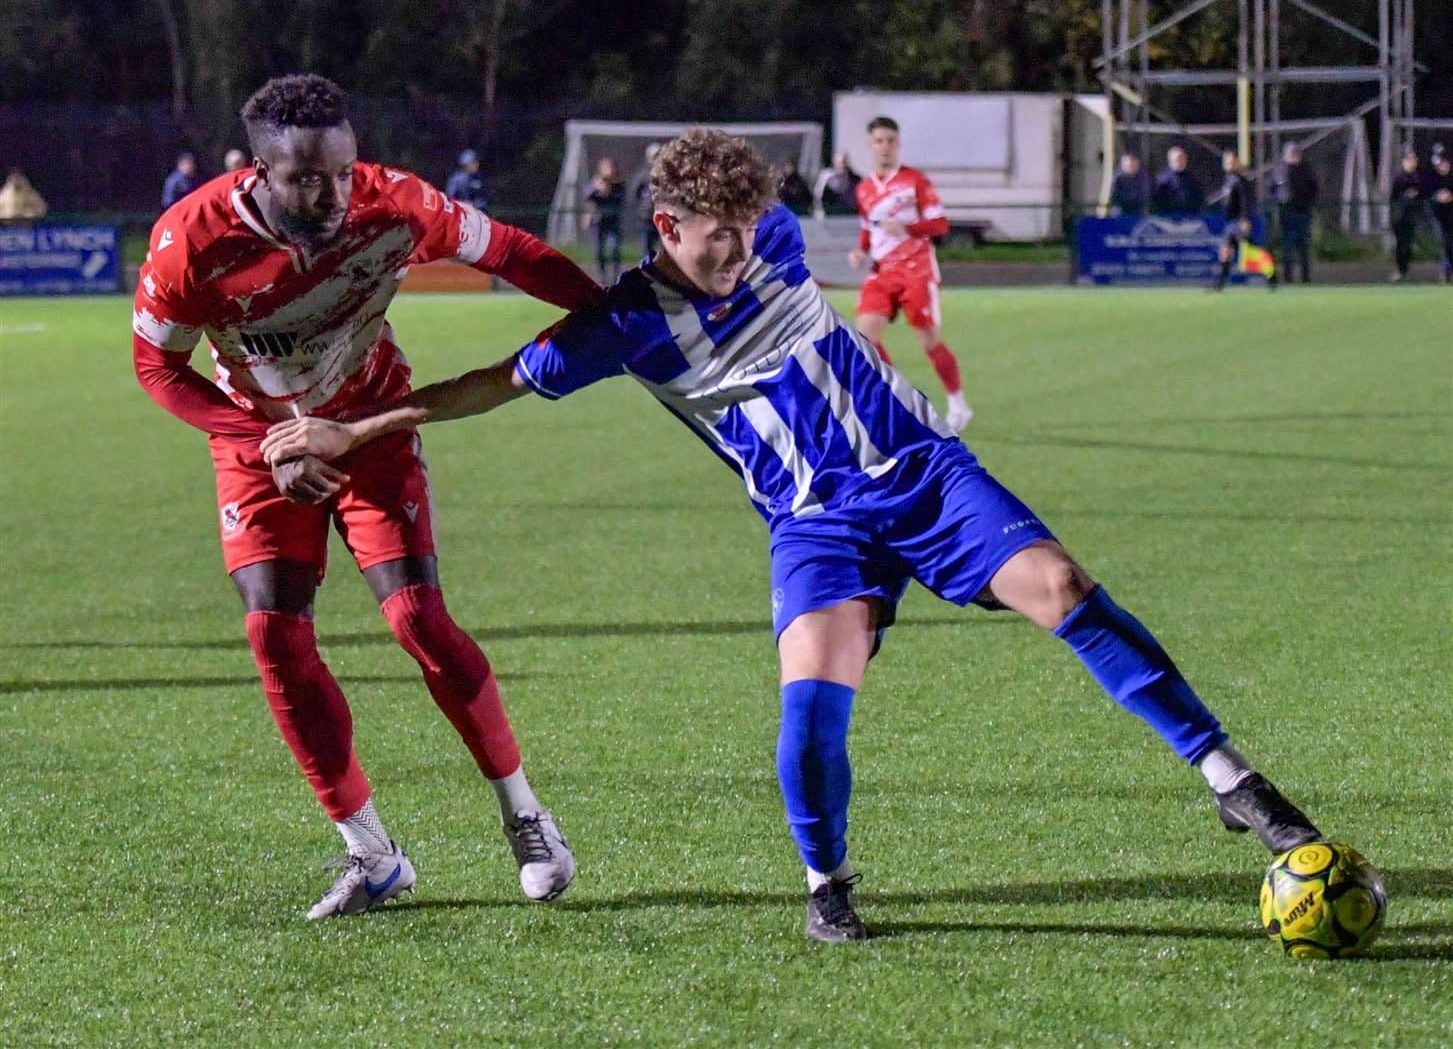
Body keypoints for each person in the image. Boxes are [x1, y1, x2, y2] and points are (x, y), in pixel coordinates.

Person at [260, 129, 1323, 944]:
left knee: (1063, 587)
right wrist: (359, 425)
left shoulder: (768, 238)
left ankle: (1235, 786)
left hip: (924, 475)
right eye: (712, 232)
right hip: (813, 524)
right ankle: (828, 888)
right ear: (665, 224)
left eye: (745, 227)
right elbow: (490, 385)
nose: (736, 248)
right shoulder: (622, 324)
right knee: (810, 710)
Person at [132, 74, 599, 920]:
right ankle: (372, 854)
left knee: (415, 617)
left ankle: (526, 816)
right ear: (261, 174)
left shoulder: (398, 204)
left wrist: (605, 309)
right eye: (308, 179)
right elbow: (156, 366)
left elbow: (512, 254)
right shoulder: (190, 242)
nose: (333, 193)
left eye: (343, 172)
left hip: (372, 421)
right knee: (273, 629)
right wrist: (264, 444)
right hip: (260, 438)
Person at [848, 116, 971, 432]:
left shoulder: (915, 181)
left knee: (928, 341)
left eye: (890, 140)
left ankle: (958, 402)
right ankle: (896, 401)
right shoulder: (863, 189)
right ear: (870, 145)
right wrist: (861, 250)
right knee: (864, 339)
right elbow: (868, 228)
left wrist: (907, 227)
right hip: (882, 271)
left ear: (898, 143)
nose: (885, 146)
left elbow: (940, 224)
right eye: (879, 141)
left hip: (917, 271)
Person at [1212, 151, 1272, 290]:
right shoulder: (1228, 179)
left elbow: (1246, 202)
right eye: (1227, 162)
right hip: (1231, 222)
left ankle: (1271, 275)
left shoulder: (1241, 180)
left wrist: (1245, 219)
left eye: (1232, 162)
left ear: (1237, 163)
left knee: (1248, 253)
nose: (1229, 164)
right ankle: (1220, 285)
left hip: (1238, 221)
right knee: (1227, 251)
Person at [1271, 142, 1318, 284]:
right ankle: (1288, 278)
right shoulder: (1280, 170)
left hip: (1302, 212)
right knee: (1287, 247)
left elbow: (1313, 188)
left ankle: (1305, 277)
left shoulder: (1306, 170)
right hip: (1286, 213)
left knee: (1303, 246)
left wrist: (1306, 202)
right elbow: (1271, 188)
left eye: (1294, 154)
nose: (1291, 157)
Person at [1389, 147, 1430, 282]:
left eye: (1413, 160)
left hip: (1413, 217)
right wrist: (1404, 198)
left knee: (1408, 245)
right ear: (1404, 162)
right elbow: (1393, 198)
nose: (1411, 163)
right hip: (1400, 217)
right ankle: (1400, 270)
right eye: (1409, 160)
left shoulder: (1420, 177)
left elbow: (1425, 194)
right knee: (1401, 245)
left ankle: (1405, 270)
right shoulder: (1399, 179)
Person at [581, 157, 625, 284]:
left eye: (611, 168)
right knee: (599, 250)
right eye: (606, 168)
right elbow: (588, 199)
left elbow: (620, 200)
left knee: (614, 248)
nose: (609, 171)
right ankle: (603, 276)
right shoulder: (595, 184)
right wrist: (598, 189)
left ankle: (616, 276)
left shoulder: (619, 185)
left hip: (612, 221)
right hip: (599, 222)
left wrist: (608, 190)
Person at [630, 142, 661, 259]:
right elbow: (635, 193)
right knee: (647, 248)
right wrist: (643, 207)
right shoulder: (643, 176)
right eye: (654, 156)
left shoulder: (668, 175)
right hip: (647, 217)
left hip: (664, 216)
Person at [1152, 146, 1204, 215]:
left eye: (1183, 158)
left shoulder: (1193, 178)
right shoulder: (1162, 180)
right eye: (1177, 159)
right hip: (1168, 218)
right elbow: (1156, 202)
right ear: (1170, 160)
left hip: (1190, 217)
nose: (1180, 161)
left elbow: (1199, 198)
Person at [1428, 144, 1453, 284]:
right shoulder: (1433, 178)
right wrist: (1437, 197)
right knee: (1445, 243)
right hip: (1439, 216)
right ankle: (1446, 271)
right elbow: (1428, 195)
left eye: (1444, 163)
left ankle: (1448, 270)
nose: (1442, 166)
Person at [816, 152, 860, 216]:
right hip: (833, 215)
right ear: (834, 163)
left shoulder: (855, 180)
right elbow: (821, 198)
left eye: (844, 162)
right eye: (839, 162)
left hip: (851, 215)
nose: (841, 165)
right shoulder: (827, 179)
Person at [1108, 152, 1150, 217]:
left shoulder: (1144, 177)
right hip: (1121, 210)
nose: (1130, 167)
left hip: (1138, 210)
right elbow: (1115, 197)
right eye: (1127, 166)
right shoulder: (1118, 179)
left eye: (1133, 165)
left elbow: (1145, 195)